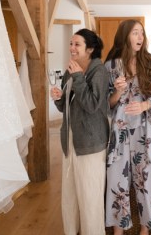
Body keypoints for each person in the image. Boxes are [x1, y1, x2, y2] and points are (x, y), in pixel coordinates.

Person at [104, 20, 151, 235]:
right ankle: (118, 231)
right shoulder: (111, 65)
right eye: (135, 33)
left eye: (141, 33)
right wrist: (118, 92)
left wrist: (144, 105)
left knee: (146, 182)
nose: (140, 37)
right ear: (125, 36)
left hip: (145, 131)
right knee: (116, 181)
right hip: (120, 132)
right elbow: (107, 104)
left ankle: (145, 231)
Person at [50, 28, 109, 235]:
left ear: (90, 49)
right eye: (71, 43)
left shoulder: (99, 71)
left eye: (77, 44)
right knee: (71, 194)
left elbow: (92, 105)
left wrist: (78, 78)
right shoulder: (71, 69)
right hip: (70, 140)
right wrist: (58, 97)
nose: (72, 48)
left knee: (90, 196)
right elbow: (66, 107)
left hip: (91, 143)